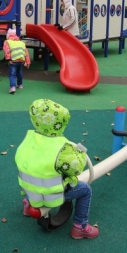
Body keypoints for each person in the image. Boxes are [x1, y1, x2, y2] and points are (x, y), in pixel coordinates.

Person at [15, 99, 98, 239]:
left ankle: (28, 203)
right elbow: (75, 170)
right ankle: (81, 227)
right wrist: (80, 154)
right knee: (86, 191)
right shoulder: (63, 147)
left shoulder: (29, 138)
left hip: (28, 188)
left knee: (36, 173)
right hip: (51, 193)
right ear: (61, 123)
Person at [3, 28, 31, 94]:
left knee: (12, 74)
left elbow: (7, 51)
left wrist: (8, 59)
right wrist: (28, 62)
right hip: (21, 60)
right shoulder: (21, 43)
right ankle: (20, 84)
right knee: (19, 72)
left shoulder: (7, 42)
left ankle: (13, 87)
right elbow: (26, 53)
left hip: (13, 60)